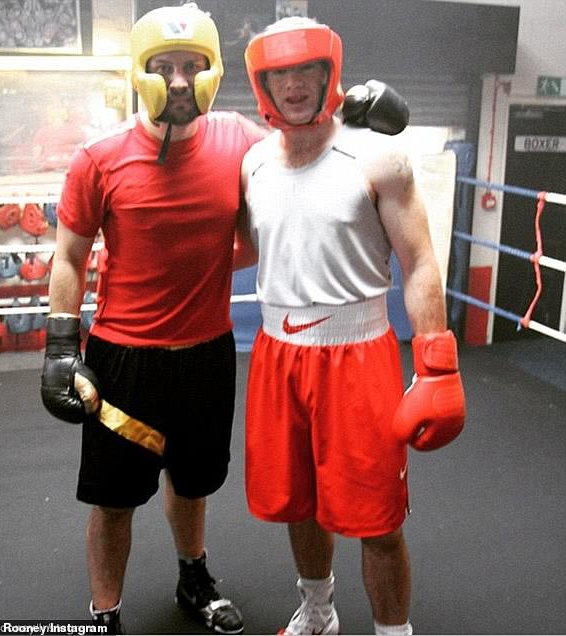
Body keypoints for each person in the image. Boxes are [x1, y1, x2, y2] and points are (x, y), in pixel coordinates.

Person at [40, 3, 408, 633]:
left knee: (192, 483)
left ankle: (194, 578)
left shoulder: (240, 141)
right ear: (140, 71)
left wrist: (355, 108)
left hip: (207, 351)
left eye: (193, 66)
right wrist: (59, 344)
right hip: (123, 355)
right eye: (165, 67)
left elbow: (302, 140)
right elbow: (70, 255)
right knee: (113, 497)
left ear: (211, 72)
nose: (179, 81)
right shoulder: (98, 158)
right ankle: (102, 614)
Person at [239, 16, 466, 636]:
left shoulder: (377, 157)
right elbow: (231, 244)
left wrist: (436, 366)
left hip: (356, 356)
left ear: (329, 73)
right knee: (298, 503)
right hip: (277, 353)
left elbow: (419, 261)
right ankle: (318, 612)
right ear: (261, 82)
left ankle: (394, 633)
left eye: (305, 69)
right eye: (278, 72)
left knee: (378, 519)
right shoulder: (253, 164)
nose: (292, 84)